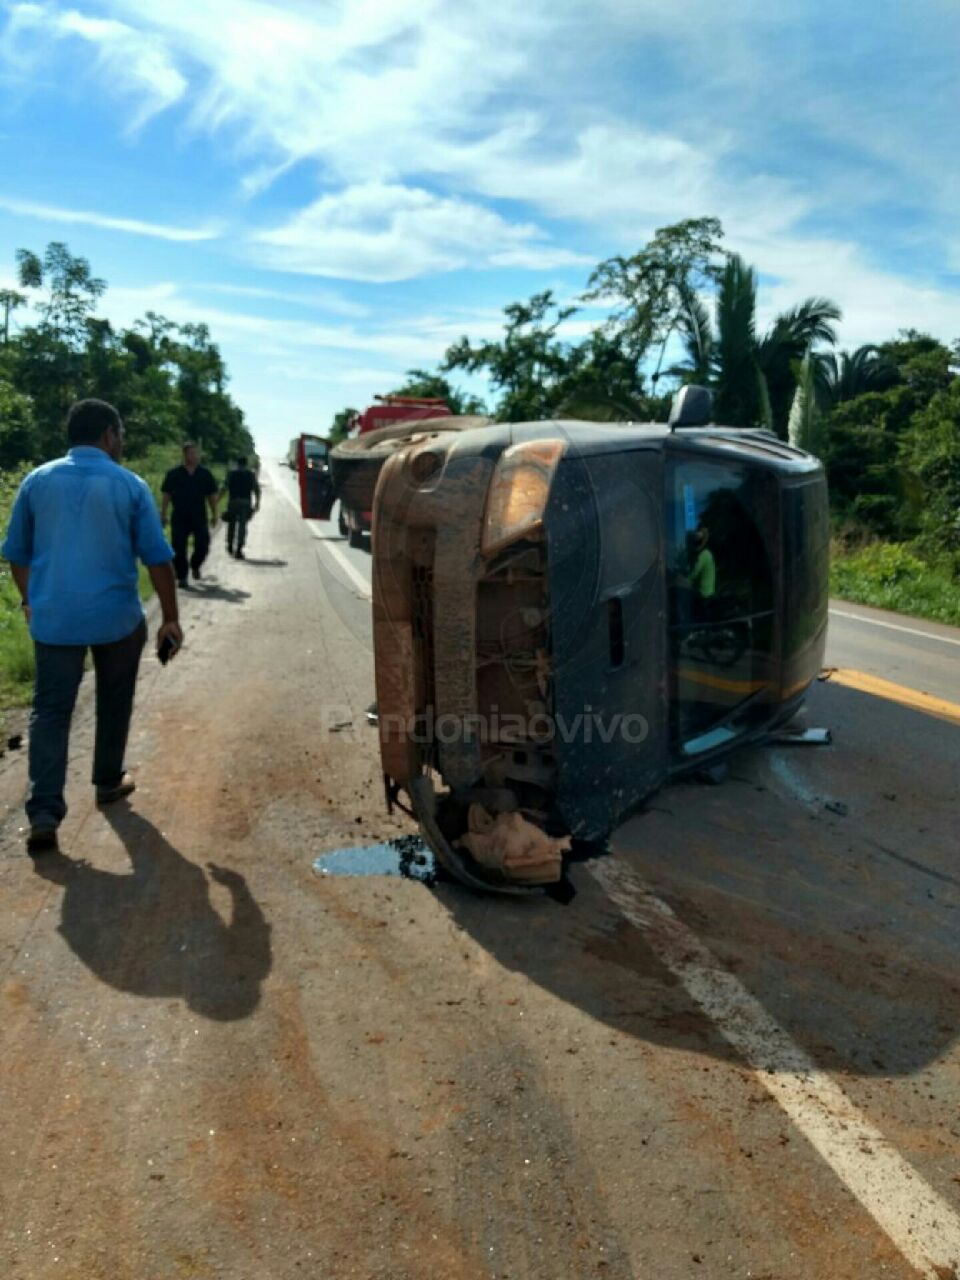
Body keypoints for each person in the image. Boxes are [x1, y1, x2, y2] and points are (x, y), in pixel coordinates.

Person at [1, 399, 183, 856]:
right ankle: (106, 782)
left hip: (54, 618)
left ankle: (44, 813)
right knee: (113, 700)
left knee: (50, 711)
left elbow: (16, 555)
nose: (121, 443)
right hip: (116, 618)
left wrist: (31, 601)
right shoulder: (129, 485)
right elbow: (157, 558)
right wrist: (171, 618)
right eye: (119, 434)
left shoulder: (36, 482)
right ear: (108, 435)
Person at [160, 442, 219, 587]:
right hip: (180, 516)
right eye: (190, 453)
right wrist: (163, 513)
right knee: (178, 548)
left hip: (199, 516)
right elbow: (166, 494)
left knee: (203, 545)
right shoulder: (174, 474)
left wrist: (214, 514)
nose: (194, 456)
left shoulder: (205, 474)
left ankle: (195, 565)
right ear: (184, 455)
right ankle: (182, 576)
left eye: (196, 453)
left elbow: (211, 496)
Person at [221, 455, 261, 559]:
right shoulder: (250, 474)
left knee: (231, 524)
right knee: (243, 526)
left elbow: (224, 487)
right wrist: (257, 502)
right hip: (245, 502)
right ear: (246, 463)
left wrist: (217, 500)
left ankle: (230, 545)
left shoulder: (231, 473)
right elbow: (256, 489)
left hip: (233, 501)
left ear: (237, 463)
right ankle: (239, 549)